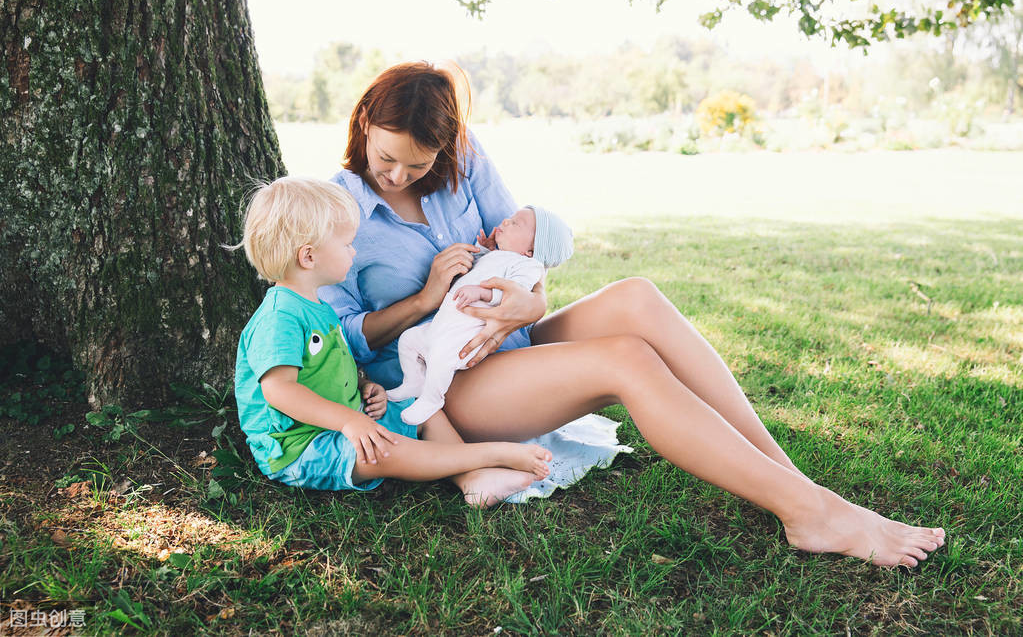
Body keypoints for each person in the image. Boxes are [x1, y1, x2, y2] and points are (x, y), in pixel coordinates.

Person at [320, 62, 945, 567]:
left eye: (419, 164)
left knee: (637, 296)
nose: (400, 175)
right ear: (364, 126)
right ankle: (810, 516)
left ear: (447, 144)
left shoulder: (466, 157)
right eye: (386, 160)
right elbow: (343, 334)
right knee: (626, 359)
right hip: (446, 386)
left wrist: (525, 309)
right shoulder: (335, 207)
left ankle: (797, 486)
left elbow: (525, 261)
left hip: (513, 341)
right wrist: (426, 299)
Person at [231, 176, 552, 505]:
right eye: (345, 245)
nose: (353, 251)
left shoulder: (316, 307)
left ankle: (473, 479)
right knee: (381, 449)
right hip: (299, 446)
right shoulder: (279, 317)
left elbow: (327, 367)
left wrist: (363, 386)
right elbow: (279, 390)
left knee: (421, 409)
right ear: (309, 258)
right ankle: (493, 456)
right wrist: (348, 420)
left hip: (343, 419)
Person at [386, 204, 573, 425]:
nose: (505, 221)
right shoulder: (499, 256)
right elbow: (479, 270)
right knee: (409, 340)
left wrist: (483, 293)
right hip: (442, 325)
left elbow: (514, 295)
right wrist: (483, 250)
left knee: (440, 359)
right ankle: (413, 381)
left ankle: (431, 399)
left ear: (531, 251)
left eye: (515, 224)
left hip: (466, 336)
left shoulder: (527, 266)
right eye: (509, 218)